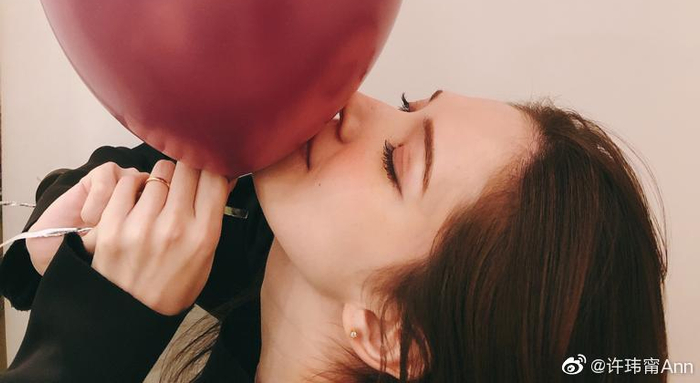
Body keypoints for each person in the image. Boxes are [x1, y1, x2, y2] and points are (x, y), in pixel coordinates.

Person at [0, 89, 669, 382]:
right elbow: (76, 206)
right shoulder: (268, 246)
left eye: (396, 161)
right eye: (406, 105)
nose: (354, 103)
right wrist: (52, 252)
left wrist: (92, 337)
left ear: (390, 336)